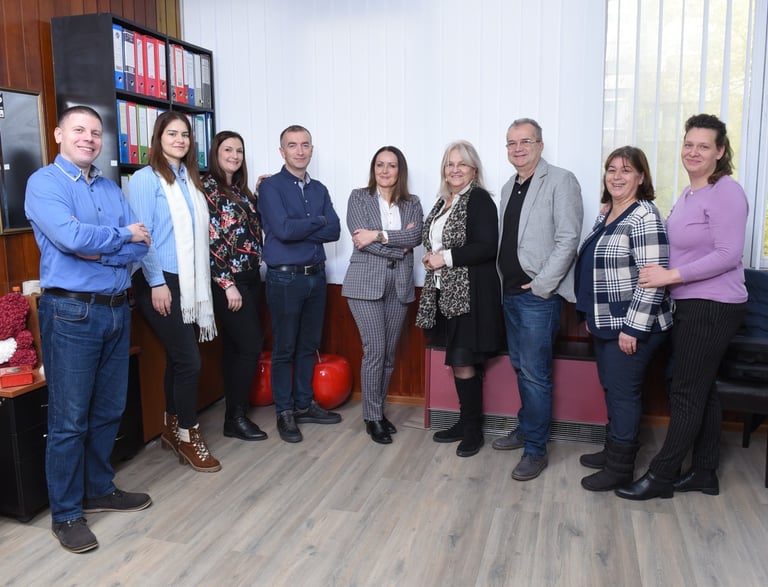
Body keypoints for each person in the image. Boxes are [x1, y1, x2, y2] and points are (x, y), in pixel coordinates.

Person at [25, 105, 152, 553]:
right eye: (79, 130)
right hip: (71, 313)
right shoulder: (44, 183)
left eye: (96, 132)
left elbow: (141, 244)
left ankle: (98, 488)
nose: (89, 138)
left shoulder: (110, 188)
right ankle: (66, 514)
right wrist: (119, 237)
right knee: (69, 419)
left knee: (109, 410)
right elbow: (72, 238)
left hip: (117, 309)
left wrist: (106, 246)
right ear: (59, 134)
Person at [616, 114, 749, 500]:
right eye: (688, 144)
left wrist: (669, 276)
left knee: (686, 391)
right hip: (690, 304)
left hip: (714, 305)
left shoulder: (726, 191)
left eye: (703, 146)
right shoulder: (691, 193)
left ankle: (661, 475)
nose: (693, 152)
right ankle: (705, 472)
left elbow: (728, 254)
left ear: (720, 151)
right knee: (701, 390)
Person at [573, 146, 673, 491]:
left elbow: (652, 279)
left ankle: (620, 468)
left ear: (641, 177)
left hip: (633, 325)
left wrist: (632, 328)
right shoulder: (609, 212)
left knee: (622, 393)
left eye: (626, 170)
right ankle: (612, 450)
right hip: (607, 321)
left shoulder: (645, 216)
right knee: (612, 387)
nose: (617, 176)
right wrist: (591, 314)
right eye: (612, 169)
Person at [129, 111, 220, 472]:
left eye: (185, 134)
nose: (180, 140)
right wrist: (156, 283)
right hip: (159, 279)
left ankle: (170, 426)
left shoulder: (190, 180)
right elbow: (143, 236)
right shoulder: (145, 179)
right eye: (172, 133)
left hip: (189, 280)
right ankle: (187, 435)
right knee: (189, 360)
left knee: (179, 357)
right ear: (158, 138)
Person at [493, 118, 583, 481]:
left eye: (525, 141)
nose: (518, 148)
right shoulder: (508, 187)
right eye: (511, 143)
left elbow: (568, 239)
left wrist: (543, 285)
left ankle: (535, 450)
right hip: (510, 295)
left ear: (540, 146)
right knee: (521, 368)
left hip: (537, 298)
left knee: (535, 375)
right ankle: (526, 427)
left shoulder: (561, 180)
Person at [416, 140, 505, 458]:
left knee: (463, 361)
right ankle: (465, 422)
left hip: (471, 295)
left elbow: (487, 246)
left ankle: (472, 431)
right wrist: (431, 257)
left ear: (474, 169)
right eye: (450, 164)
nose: (455, 169)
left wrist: (444, 258)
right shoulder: (444, 201)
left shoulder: (479, 199)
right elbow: (436, 242)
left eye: (462, 164)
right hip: (445, 293)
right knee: (458, 361)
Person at [258, 125, 342, 443]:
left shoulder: (319, 189)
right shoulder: (271, 188)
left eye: (305, 145)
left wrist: (304, 226)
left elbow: (334, 230)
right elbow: (283, 230)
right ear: (282, 152)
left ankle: (304, 405)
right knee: (285, 348)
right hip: (284, 278)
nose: (300, 151)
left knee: (308, 345)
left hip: (316, 277)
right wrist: (317, 222)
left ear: (312, 149)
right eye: (292, 145)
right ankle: (285, 411)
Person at [342, 146, 423, 444]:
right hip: (364, 285)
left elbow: (416, 236)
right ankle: (372, 417)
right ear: (373, 168)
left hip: (399, 285)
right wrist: (400, 248)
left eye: (391, 165)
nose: (385, 171)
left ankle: (377, 411)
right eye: (380, 165)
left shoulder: (412, 202)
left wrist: (377, 234)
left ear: (400, 170)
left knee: (388, 353)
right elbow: (359, 239)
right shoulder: (358, 197)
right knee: (375, 350)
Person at [203, 130, 268, 441]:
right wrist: (227, 284)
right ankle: (237, 417)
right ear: (216, 154)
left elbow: (250, 229)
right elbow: (211, 240)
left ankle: (232, 416)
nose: (234, 155)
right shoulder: (207, 189)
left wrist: (258, 192)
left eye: (239, 150)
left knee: (234, 348)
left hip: (253, 277)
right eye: (227, 150)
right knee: (250, 345)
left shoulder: (241, 191)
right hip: (229, 281)